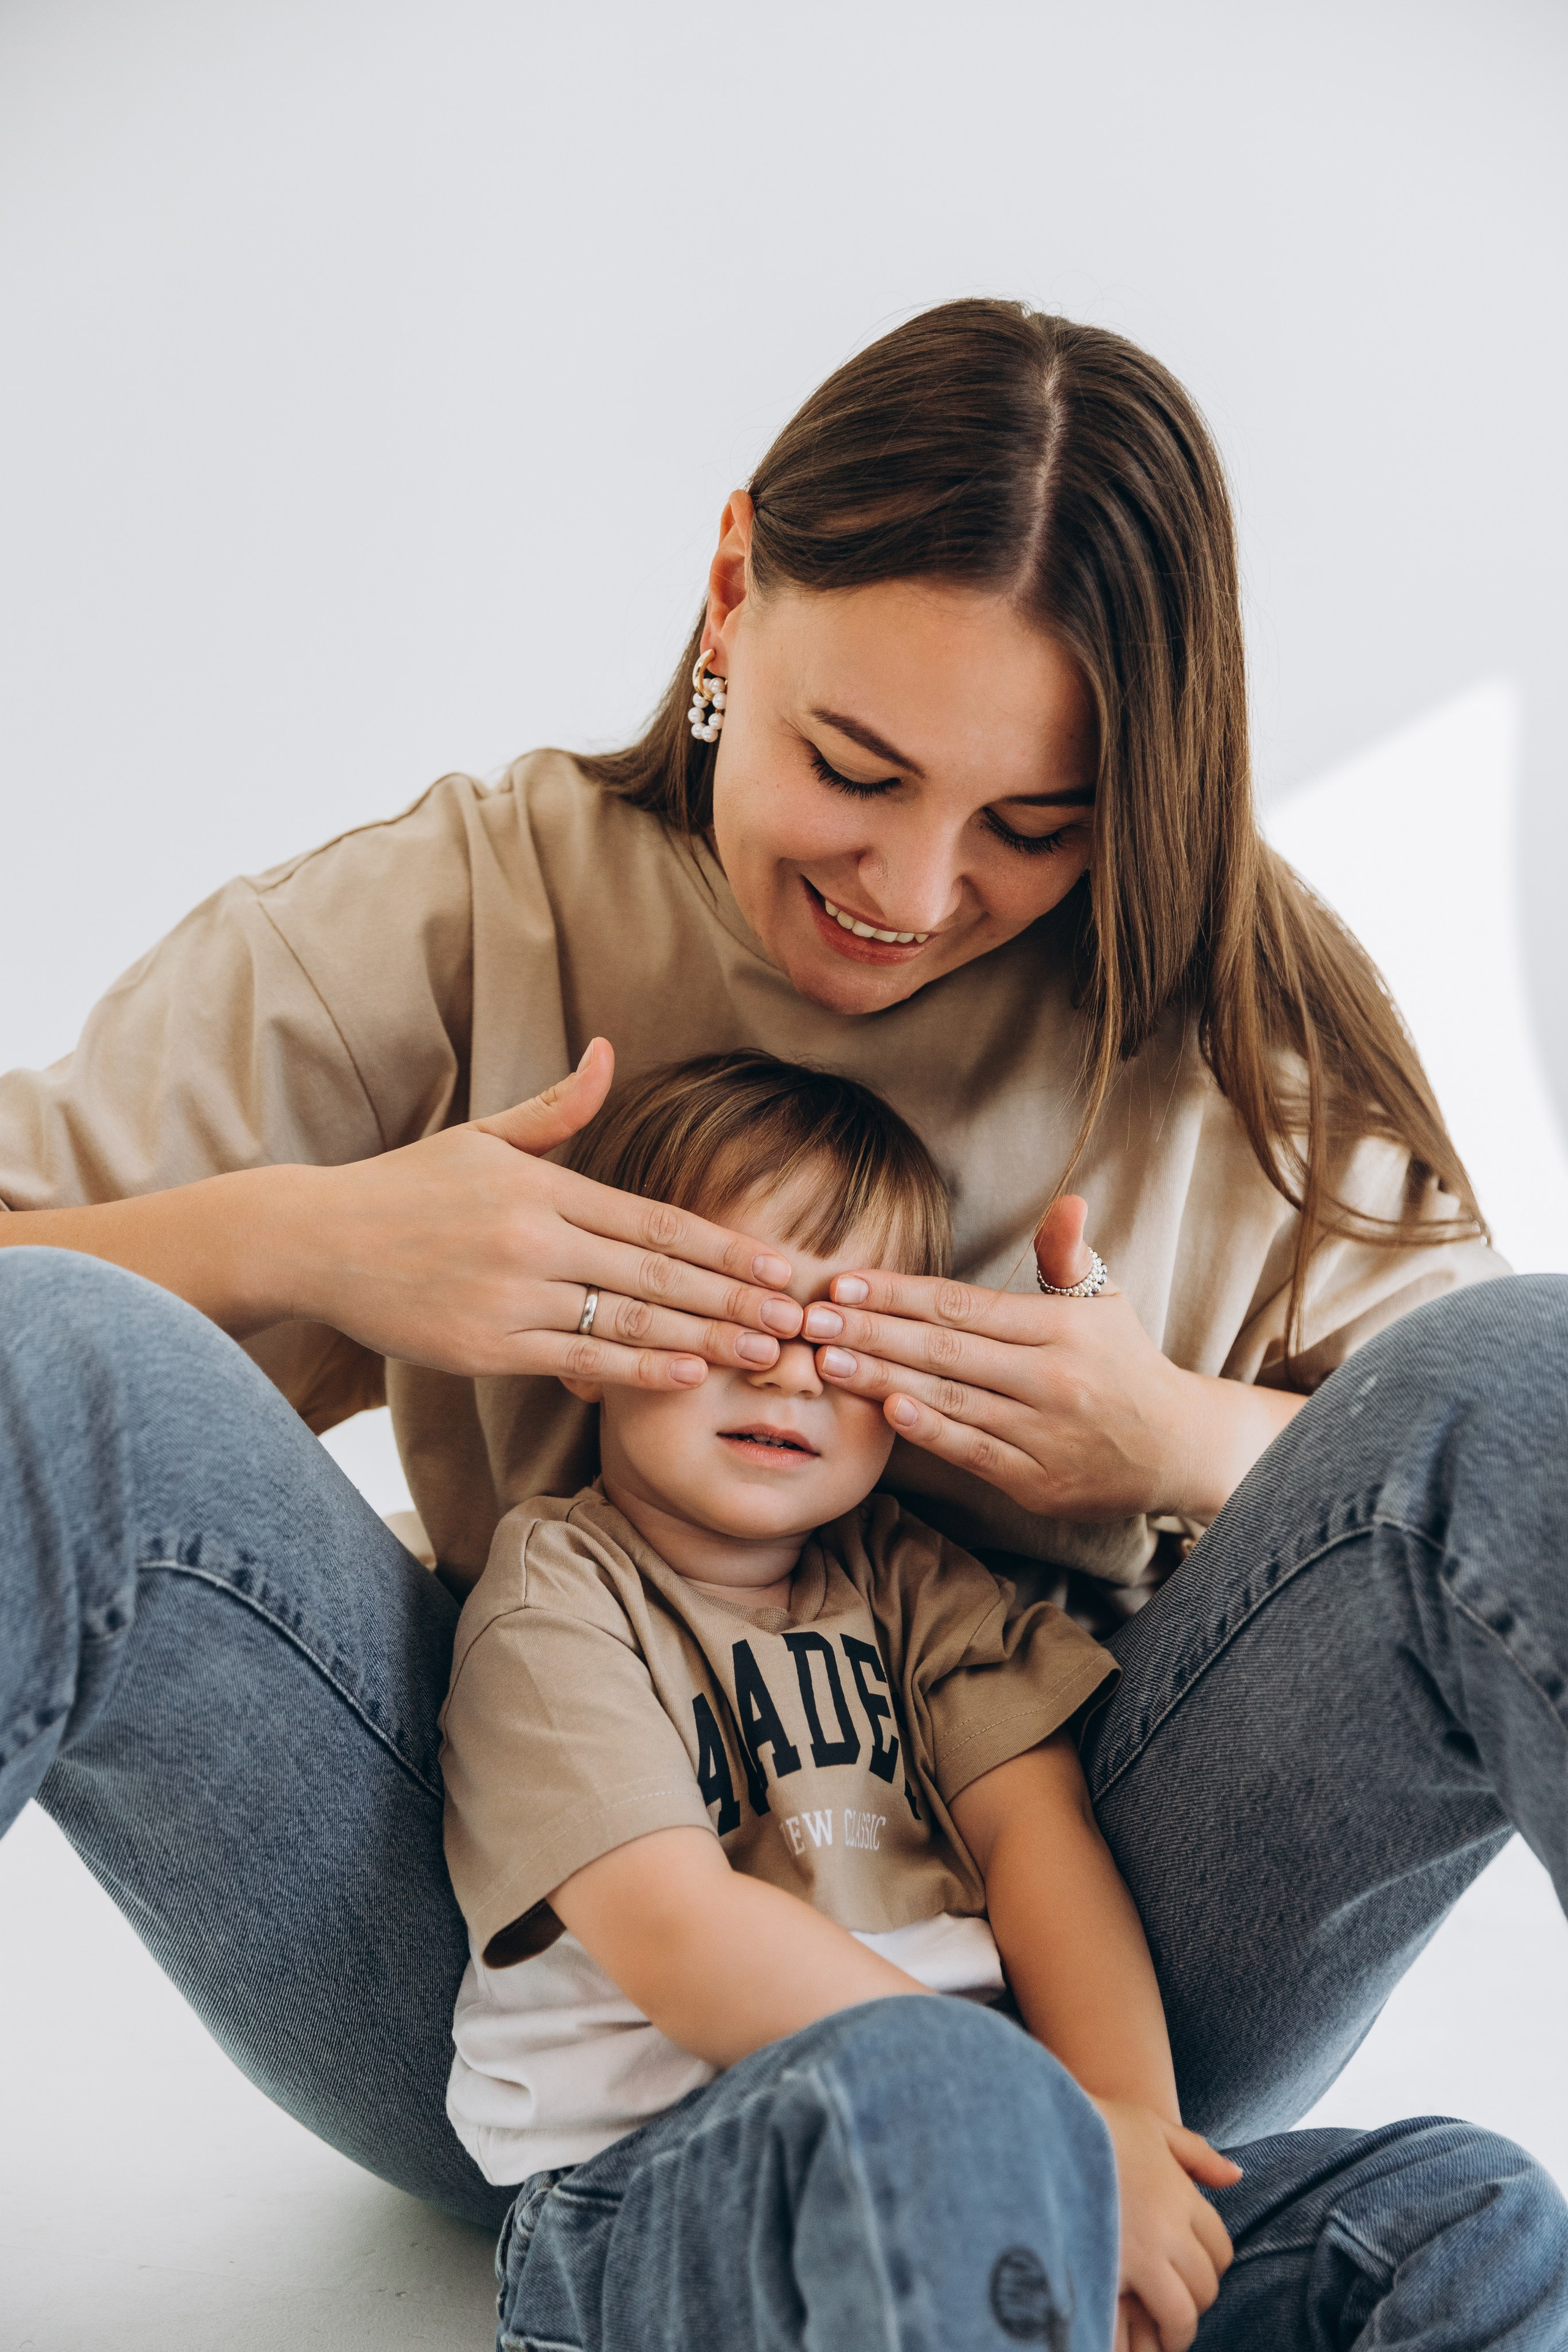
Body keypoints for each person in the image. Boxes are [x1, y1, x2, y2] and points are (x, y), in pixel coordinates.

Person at [1, 297, 1566, 2276]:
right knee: (43, 1360)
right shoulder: (469, 904)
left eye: (1030, 826)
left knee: (1539, 1376)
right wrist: (308, 1242)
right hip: (542, 1967)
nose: (914, 893)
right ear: (730, 594)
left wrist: (1162, 1436)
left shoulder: (1216, 998)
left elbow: (1479, 1484)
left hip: (1102, 1981)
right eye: (858, 765)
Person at [437, 1050, 1568, 2352]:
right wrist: (1049, 2124)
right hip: (664, 2200)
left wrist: (1129, 2143)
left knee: (1472, 2211)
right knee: (925, 2092)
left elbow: (1042, 1848)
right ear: (596, 1332)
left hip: (1024, 2171)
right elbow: (678, 1935)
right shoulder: (558, 1594)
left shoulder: (917, 1583)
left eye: (843, 1332)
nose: (788, 1369)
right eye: (728, 1312)